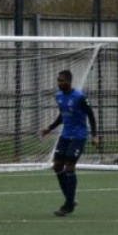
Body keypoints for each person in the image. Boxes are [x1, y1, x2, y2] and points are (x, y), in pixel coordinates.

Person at [40, 69, 98, 216]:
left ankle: (68, 204)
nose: (59, 83)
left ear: (69, 81)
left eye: (61, 80)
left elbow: (90, 115)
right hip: (65, 135)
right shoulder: (58, 96)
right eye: (58, 80)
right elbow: (62, 115)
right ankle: (70, 200)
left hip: (78, 136)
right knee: (57, 166)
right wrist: (50, 128)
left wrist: (94, 135)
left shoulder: (79, 97)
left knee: (69, 166)